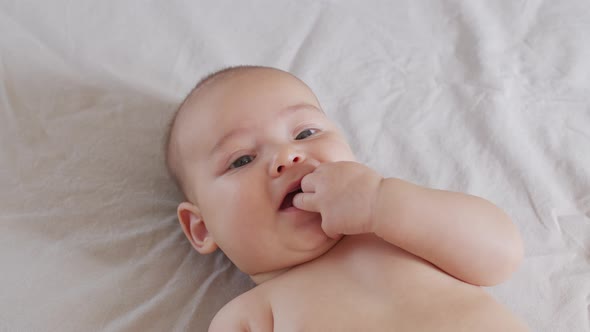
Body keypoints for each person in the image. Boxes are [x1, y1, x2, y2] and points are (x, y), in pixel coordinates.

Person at [165, 65, 528, 331]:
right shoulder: (247, 316)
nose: (286, 156)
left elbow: (502, 255)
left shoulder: (402, 230)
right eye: (241, 159)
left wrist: (382, 202)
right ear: (200, 227)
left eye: (305, 132)